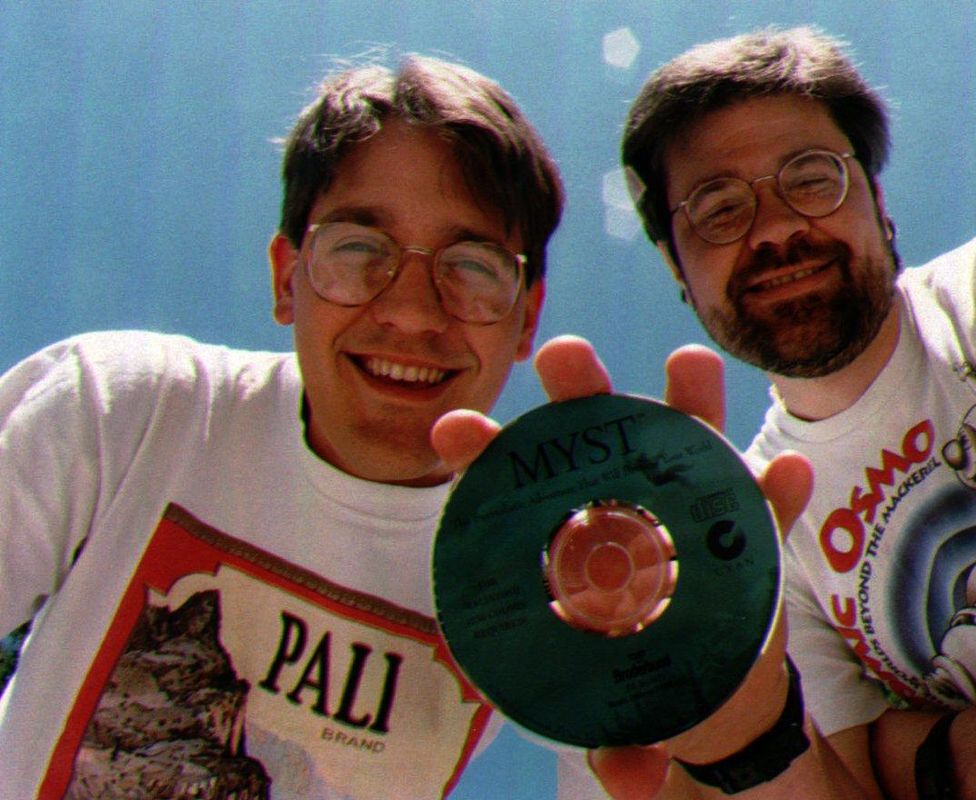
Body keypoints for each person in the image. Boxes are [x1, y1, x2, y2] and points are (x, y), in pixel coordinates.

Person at [609, 25, 976, 799]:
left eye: (811, 178)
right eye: (719, 207)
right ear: (677, 268)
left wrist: (927, 765)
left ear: (878, 203)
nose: (777, 227)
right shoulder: (755, 534)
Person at [0, 54, 599, 799]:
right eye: (359, 251)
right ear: (287, 278)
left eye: (471, 266)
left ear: (526, 319)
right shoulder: (124, 410)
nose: (412, 310)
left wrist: (700, 642)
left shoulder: (555, 574)